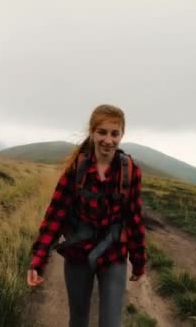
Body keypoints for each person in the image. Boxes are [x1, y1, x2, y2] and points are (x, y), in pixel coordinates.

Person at [27, 104, 147, 327]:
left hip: (113, 256)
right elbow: (55, 215)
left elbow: (134, 218)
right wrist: (38, 260)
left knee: (111, 323)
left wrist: (138, 261)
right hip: (78, 253)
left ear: (122, 135)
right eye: (102, 132)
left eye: (114, 133)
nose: (108, 140)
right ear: (92, 132)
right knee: (79, 320)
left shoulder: (130, 171)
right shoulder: (76, 169)